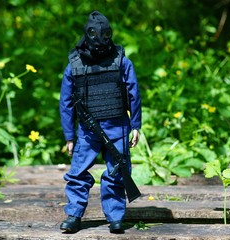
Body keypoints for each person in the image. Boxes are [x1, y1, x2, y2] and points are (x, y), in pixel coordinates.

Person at [59, 10, 141, 234]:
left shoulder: (121, 61)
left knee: (116, 172)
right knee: (77, 173)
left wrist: (135, 125)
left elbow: (134, 94)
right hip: (88, 130)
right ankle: (74, 215)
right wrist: (69, 135)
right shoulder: (75, 65)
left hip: (118, 128)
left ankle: (115, 217)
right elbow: (66, 102)